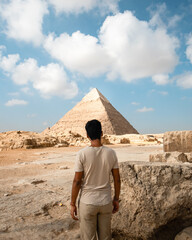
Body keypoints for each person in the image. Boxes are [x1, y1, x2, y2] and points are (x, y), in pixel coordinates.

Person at [70, 119, 121, 240]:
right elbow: (117, 179)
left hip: (88, 203)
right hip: (105, 202)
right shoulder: (111, 153)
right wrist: (116, 199)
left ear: (87, 135)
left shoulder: (82, 154)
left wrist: (72, 204)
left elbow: (77, 182)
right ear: (102, 133)